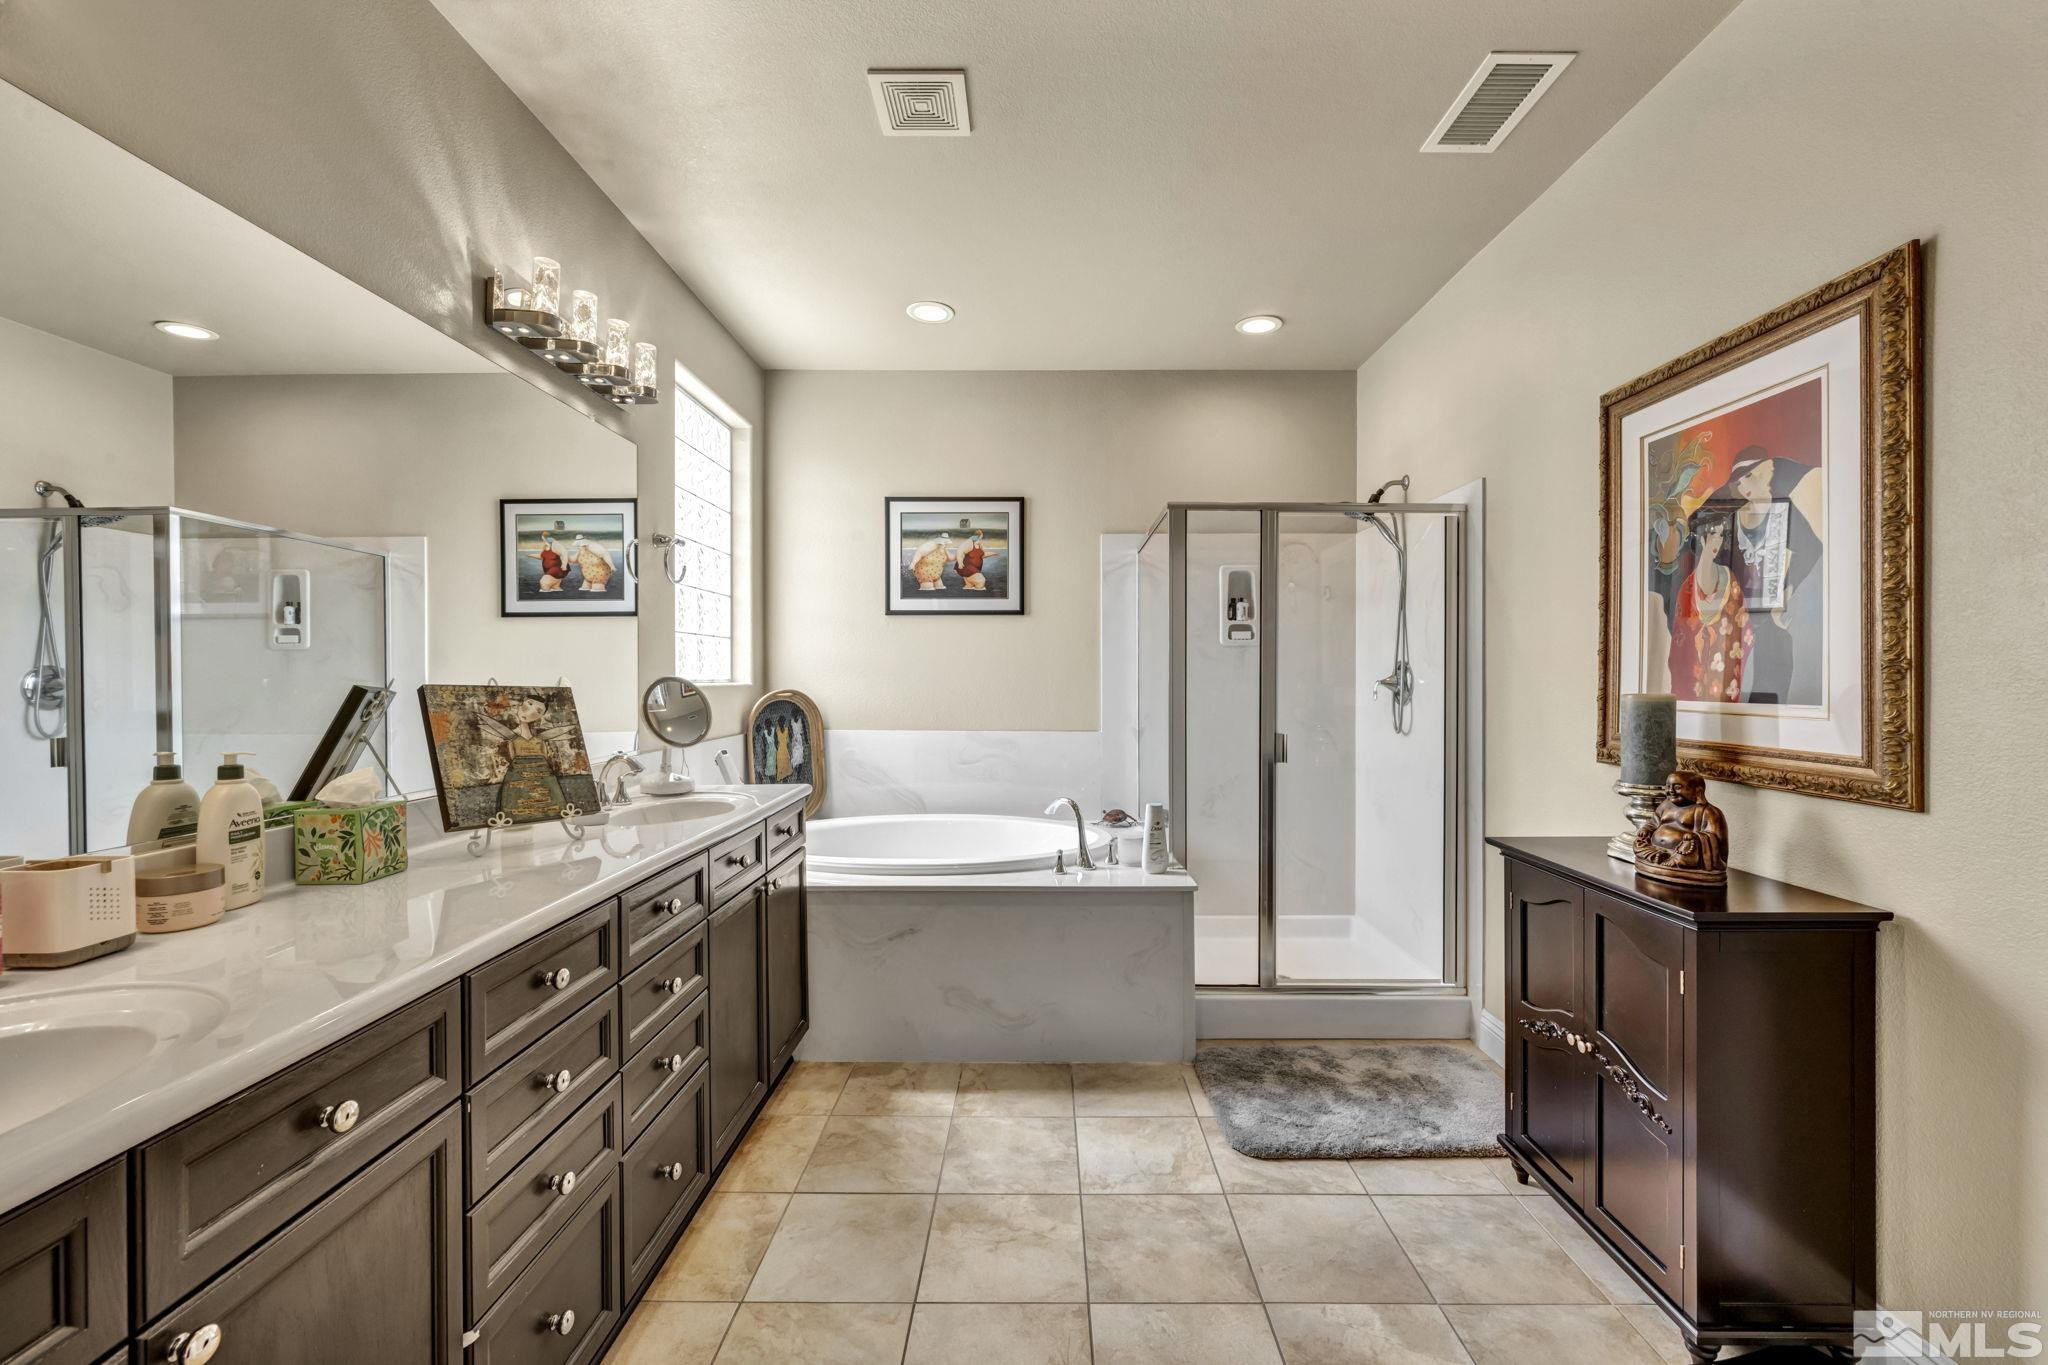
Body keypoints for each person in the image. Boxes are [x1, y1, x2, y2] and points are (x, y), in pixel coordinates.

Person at [1721, 448, 1822, 705]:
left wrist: (1788, 588)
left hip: (1773, 617)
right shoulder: (1735, 519)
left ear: (1766, 471)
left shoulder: (1784, 511)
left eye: (1749, 476)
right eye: (1739, 481)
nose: (1744, 486)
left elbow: (1810, 549)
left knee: (1774, 676)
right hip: (1740, 618)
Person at [1668, 508, 1752, 704]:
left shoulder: (1728, 577)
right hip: (1695, 670)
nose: (1717, 541)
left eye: (1721, 536)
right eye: (1712, 535)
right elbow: (1680, 641)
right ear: (1701, 538)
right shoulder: (1686, 590)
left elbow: (1743, 627)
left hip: (1724, 668)